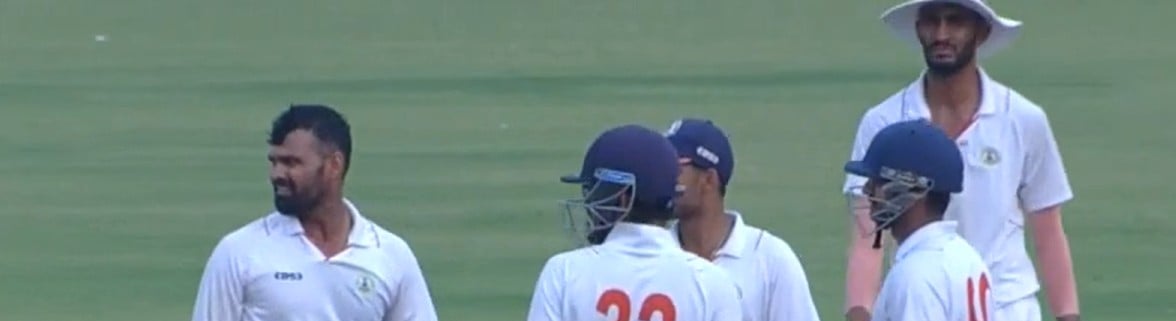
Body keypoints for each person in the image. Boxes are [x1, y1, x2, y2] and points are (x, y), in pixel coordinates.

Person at [842, 1, 1081, 321]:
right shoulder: (883, 121)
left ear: (981, 32)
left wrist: (1068, 315)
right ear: (917, 29)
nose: (941, 34)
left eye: (955, 22)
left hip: (1008, 304)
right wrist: (859, 312)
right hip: (926, 293)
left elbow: (1048, 230)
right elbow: (868, 233)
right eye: (931, 22)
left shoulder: (1023, 119)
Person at [191, 104, 439, 321]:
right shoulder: (239, 253)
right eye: (274, 161)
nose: (276, 174)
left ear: (334, 165)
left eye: (291, 163)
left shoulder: (390, 255)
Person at [526, 124, 744, 321]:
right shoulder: (712, 283)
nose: (590, 205)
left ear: (623, 198)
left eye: (594, 193)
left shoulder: (565, 272)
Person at [664, 118, 821, 321]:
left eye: (675, 169)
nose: (664, 178)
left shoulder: (770, 259)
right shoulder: (656, 255)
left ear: (709, 180)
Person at [845, 119, 995, 321]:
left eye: (878, 182)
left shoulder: (915, 277)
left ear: (915, 191)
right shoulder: (967, 257)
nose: (866, 190)